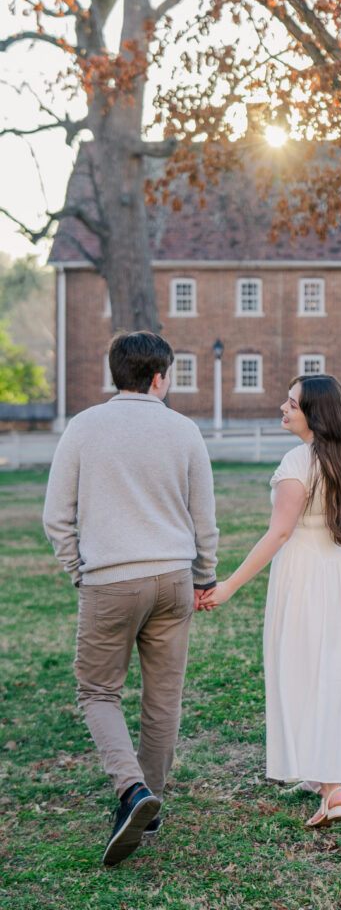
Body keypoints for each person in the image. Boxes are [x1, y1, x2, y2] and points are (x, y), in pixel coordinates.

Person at [43, 331, 218, 866]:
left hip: (111, 579)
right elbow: (203, 518)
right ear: (160, 377)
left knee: (97, 691)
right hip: (172, 577)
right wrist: (203, 576)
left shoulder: (84, 426)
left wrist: (80, 571)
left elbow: (56, 516)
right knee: (163, 698)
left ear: (114, 374)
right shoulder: (184, 430)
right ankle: (151, 800)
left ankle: (132, 791)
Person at [201, 374, 341, 827]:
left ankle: (333, 788)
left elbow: (279, 533)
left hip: (305, 574)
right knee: (336, 671)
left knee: (302, 669)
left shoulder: (299, 462)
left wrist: (228, 586)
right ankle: (322, 775)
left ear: (314, 414)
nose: (283, 408)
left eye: (292, 404)